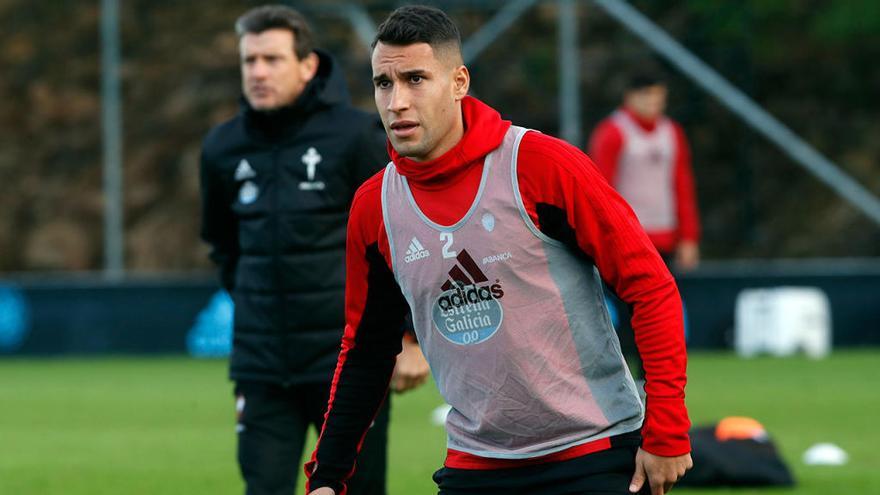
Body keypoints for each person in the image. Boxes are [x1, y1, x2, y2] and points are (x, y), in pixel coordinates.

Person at [306, 5, 692, 495]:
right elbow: (365, 350)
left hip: (593, 456)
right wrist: (328, 478)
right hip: (476, 468)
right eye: (384, 83)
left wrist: (668, 429)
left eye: (416, 79)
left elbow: (651, 288)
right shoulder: (373, 207)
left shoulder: (542, 165)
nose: (397, 100)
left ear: (459, 82)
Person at [199, 5, 429, 495]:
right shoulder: (221, 147)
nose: (258, 72)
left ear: (307, 66)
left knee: (355, 488)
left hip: (347, 363)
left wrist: (409, 337)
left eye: (272, 59)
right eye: (250, 60)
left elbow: (400, 236)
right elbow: (223, 246)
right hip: (261, 364)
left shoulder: (354, 136)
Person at [588, 73, 701, 271]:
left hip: (666, 238)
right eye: (647, 95)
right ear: (630, 97)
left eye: (659, 96)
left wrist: (688, 237)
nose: (654, 102)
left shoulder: (672, 132)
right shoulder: (613, 132)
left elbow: (682, 185)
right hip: (629, 238)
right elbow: (600, 189)